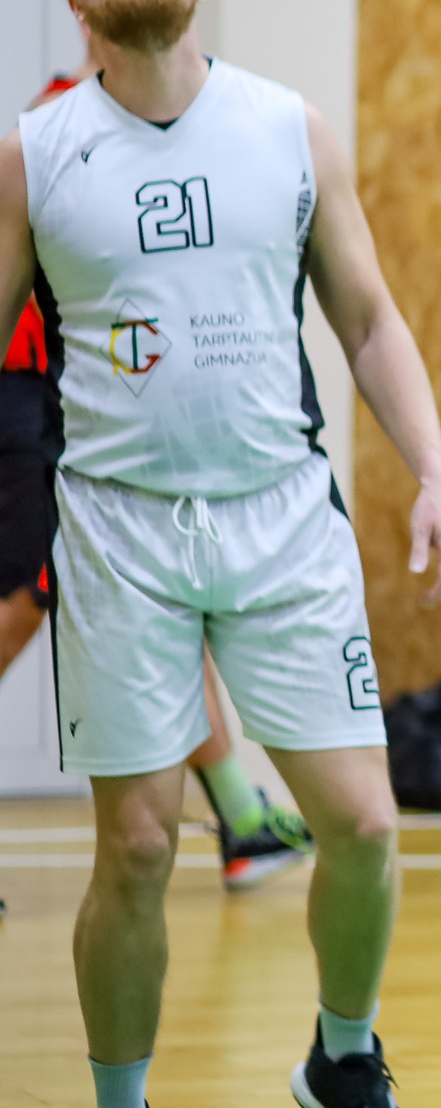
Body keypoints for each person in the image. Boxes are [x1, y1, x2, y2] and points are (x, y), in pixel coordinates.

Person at [0, 0, 441, 1108]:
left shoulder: (286, 128)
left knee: (362, 827)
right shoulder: (36, 154)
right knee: (138, 845)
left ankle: (344, 1058)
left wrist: (434, 473)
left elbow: (367, 320)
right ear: (79, 3)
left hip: (282, 520)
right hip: (119, 533)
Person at [0, 65, 314, 891]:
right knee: (21, 611)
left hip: (89, 420)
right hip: (34, 402)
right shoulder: (62, 121)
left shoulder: (190, 120)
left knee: (171, 608)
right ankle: (243, 816)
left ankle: (243, 817)